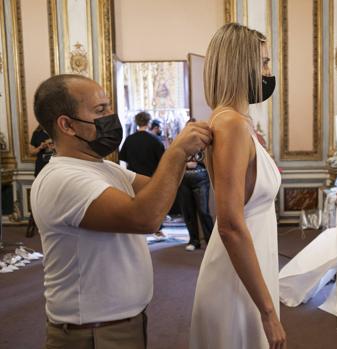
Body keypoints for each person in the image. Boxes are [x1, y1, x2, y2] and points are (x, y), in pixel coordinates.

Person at [30, 74, 211, 349]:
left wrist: (191, 156)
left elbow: (156, 190)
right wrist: (175, 152)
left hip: (117, 323)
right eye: (100, 111)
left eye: (110, 107)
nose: (111, 117)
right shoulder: (63, 178)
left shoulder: (102, 166)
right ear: (66, 125)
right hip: (92, 333)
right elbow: (146, 217)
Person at [190, 23, 286, 349]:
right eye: (264, 63)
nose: (269, 71)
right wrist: (268, 311)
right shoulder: (230, 122)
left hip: (251, 261)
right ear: (241, 66)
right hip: (236, 275)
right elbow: (230, 224)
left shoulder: (238, 120)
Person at [179, 118, 214, 251]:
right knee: (188, 212)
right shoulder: (179, 143)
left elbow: (210, 160)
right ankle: (194, 241)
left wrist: (199, 163)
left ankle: (210, 241)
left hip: (201, 179)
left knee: (203, 211)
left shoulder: (205, 142)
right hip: (184, 181)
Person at [119, 111, 165, 177]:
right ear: (149, 123)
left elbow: (123, 157)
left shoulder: (129, 139)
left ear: (136, 122)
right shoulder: (155, 140)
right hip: (150, 178)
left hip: (133, 178)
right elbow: (162, 160)